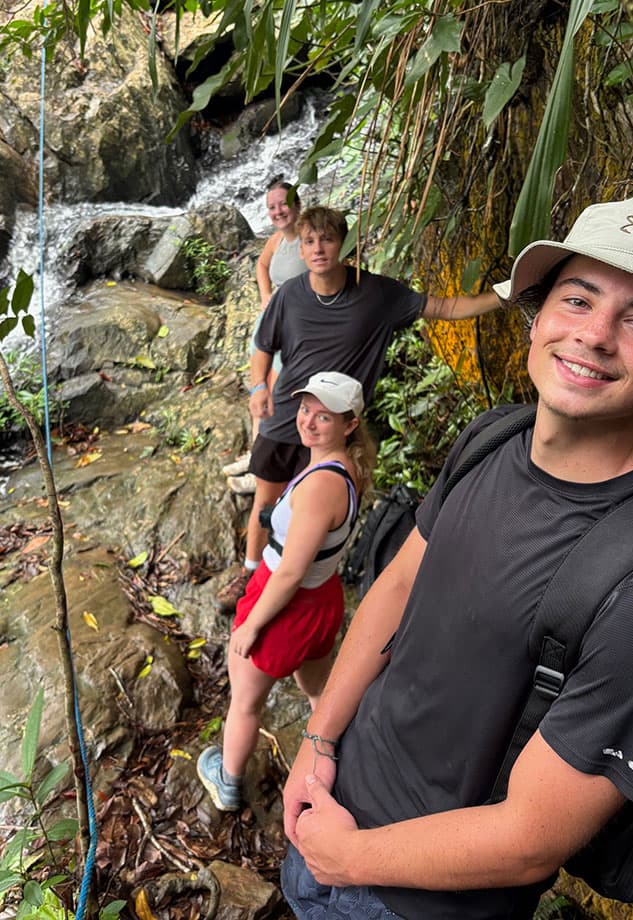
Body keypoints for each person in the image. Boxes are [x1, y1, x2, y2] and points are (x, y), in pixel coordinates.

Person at [279, 197, 633, 919]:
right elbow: (395, 592)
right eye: (576, 299)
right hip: (331, 807)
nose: (594, 335)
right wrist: (319, 742)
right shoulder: (491, 438)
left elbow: (530, 838)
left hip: (422, 902)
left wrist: (345, 856)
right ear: (539, 315)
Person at [216, 204, 500, 613]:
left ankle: (303, 581)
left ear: (344, 243)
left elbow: (444, 308)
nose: (318, 249)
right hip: (288, 417)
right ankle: (250, 571)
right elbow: (264, 346)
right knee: (267, 498)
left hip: (338, 427)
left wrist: (503, 297)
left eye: (327, 239)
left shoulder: (377, 294)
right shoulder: (290, 296)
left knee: (321, 506)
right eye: (309, 241)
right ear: (300, 250)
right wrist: (259, 386)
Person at [198, 372, 375, 811]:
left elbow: (291, 571)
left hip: (285, 604)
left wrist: (251, 625)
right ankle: (340, 756)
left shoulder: (319, 486)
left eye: (324, 417)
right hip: (321, 600)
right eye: (305, 410)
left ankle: (229, 784)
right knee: (318, 689)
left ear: (349, 424)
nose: (309, 422)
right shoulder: (344, 467)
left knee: (243, 703)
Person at [222, 180, 306, 493]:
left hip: (294, 330)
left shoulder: (308, 240)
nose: (277, 212)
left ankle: (262, 473)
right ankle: (256, 454)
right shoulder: (275, 241)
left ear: (297, 204)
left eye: (283, 204)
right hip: (272, 324)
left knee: (275, 394)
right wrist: (265, 295)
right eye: (271, 207)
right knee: (260, 388)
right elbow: (262, 264)